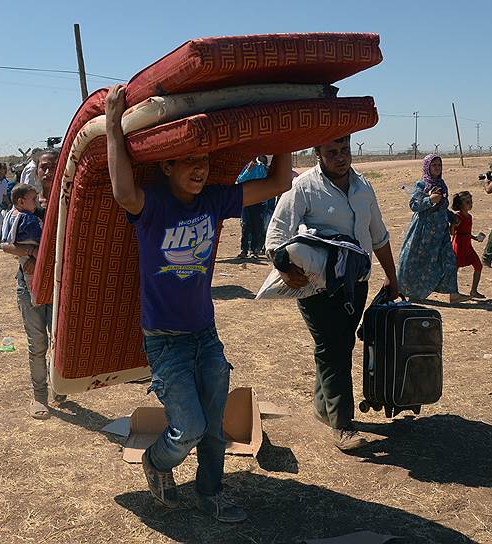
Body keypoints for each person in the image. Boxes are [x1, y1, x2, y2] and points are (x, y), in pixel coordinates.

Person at [106, 84, 291, 523]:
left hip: (205, 335)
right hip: (165, 342)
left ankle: (211, 493)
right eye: (190, 160)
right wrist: (114, 125)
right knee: (188, 427)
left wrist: (282, 140)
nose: (200, 169)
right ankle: (156, 462)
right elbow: (122, 192)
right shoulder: (153, 206)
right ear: (167, 164)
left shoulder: (214, 200)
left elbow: (280, 182)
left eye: (205, 161)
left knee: (212, 428)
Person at [265, 134, 399, 452]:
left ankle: (323, 407)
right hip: (316, 284)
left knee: (340, 343)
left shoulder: (364, 187)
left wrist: (393, 277)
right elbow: (275, 235)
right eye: (332, 152)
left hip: (357, 283)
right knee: (333, 346)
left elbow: (378, 236)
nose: (341, 157)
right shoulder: (303, 187)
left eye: (345, 150)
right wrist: (285, 269)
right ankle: (342, 425)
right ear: (318, 153)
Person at [1, 149, 62, 420]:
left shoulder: (68, 204)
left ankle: (61, 386)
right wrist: (29, 253)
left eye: (53, 167)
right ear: (37, 171)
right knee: (37, 342)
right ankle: (40, 396)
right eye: (43, 167)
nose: (48, 172)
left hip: (62, 283)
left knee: (61, 340)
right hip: (30, 283)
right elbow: (6, 245)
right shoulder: (23, 208)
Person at [397, 154, 470, 303]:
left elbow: (443, 207)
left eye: (439, 165)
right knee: (417, 262)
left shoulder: (442, 184)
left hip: (440, 232)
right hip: (423, 232)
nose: (437, 168)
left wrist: (451, 218)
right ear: (427, 167)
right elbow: (414, 205)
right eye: (434, 165)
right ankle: (412, 292)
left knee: (449, 260)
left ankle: (453, 294)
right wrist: (429, 200)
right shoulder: (421, 185)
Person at [3, 184, 42, 293]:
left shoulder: (9, 215)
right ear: (21, 202)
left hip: (21, 254)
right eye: (34, 199)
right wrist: (34, 250)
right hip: (34, 252)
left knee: (29, 278)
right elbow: (40, 238)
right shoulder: (29, 218)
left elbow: (6, 243)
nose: (36, 202)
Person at [451, 191, 485, 298]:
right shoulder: (458, 217)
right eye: (467, 202)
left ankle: (473, 291)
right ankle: (454, 293)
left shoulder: (469, 217)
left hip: (467, 245)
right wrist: (453, 225)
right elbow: (452, 232)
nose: (470, 204)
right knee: (454, 269)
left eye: (470, 201)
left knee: (478, 265)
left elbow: (466, 233)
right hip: (459, 245)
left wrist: (475, 238)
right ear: (460, 204)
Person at [236, 156, 269, 259]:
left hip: (258, 202)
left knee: (257, 227)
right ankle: (244, 250)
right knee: (245, 226)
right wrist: (248, 170)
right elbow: (240, 180)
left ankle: (254, 251)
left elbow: (264, 183)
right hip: (246, 201)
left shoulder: (261, 168)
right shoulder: (245, 167)